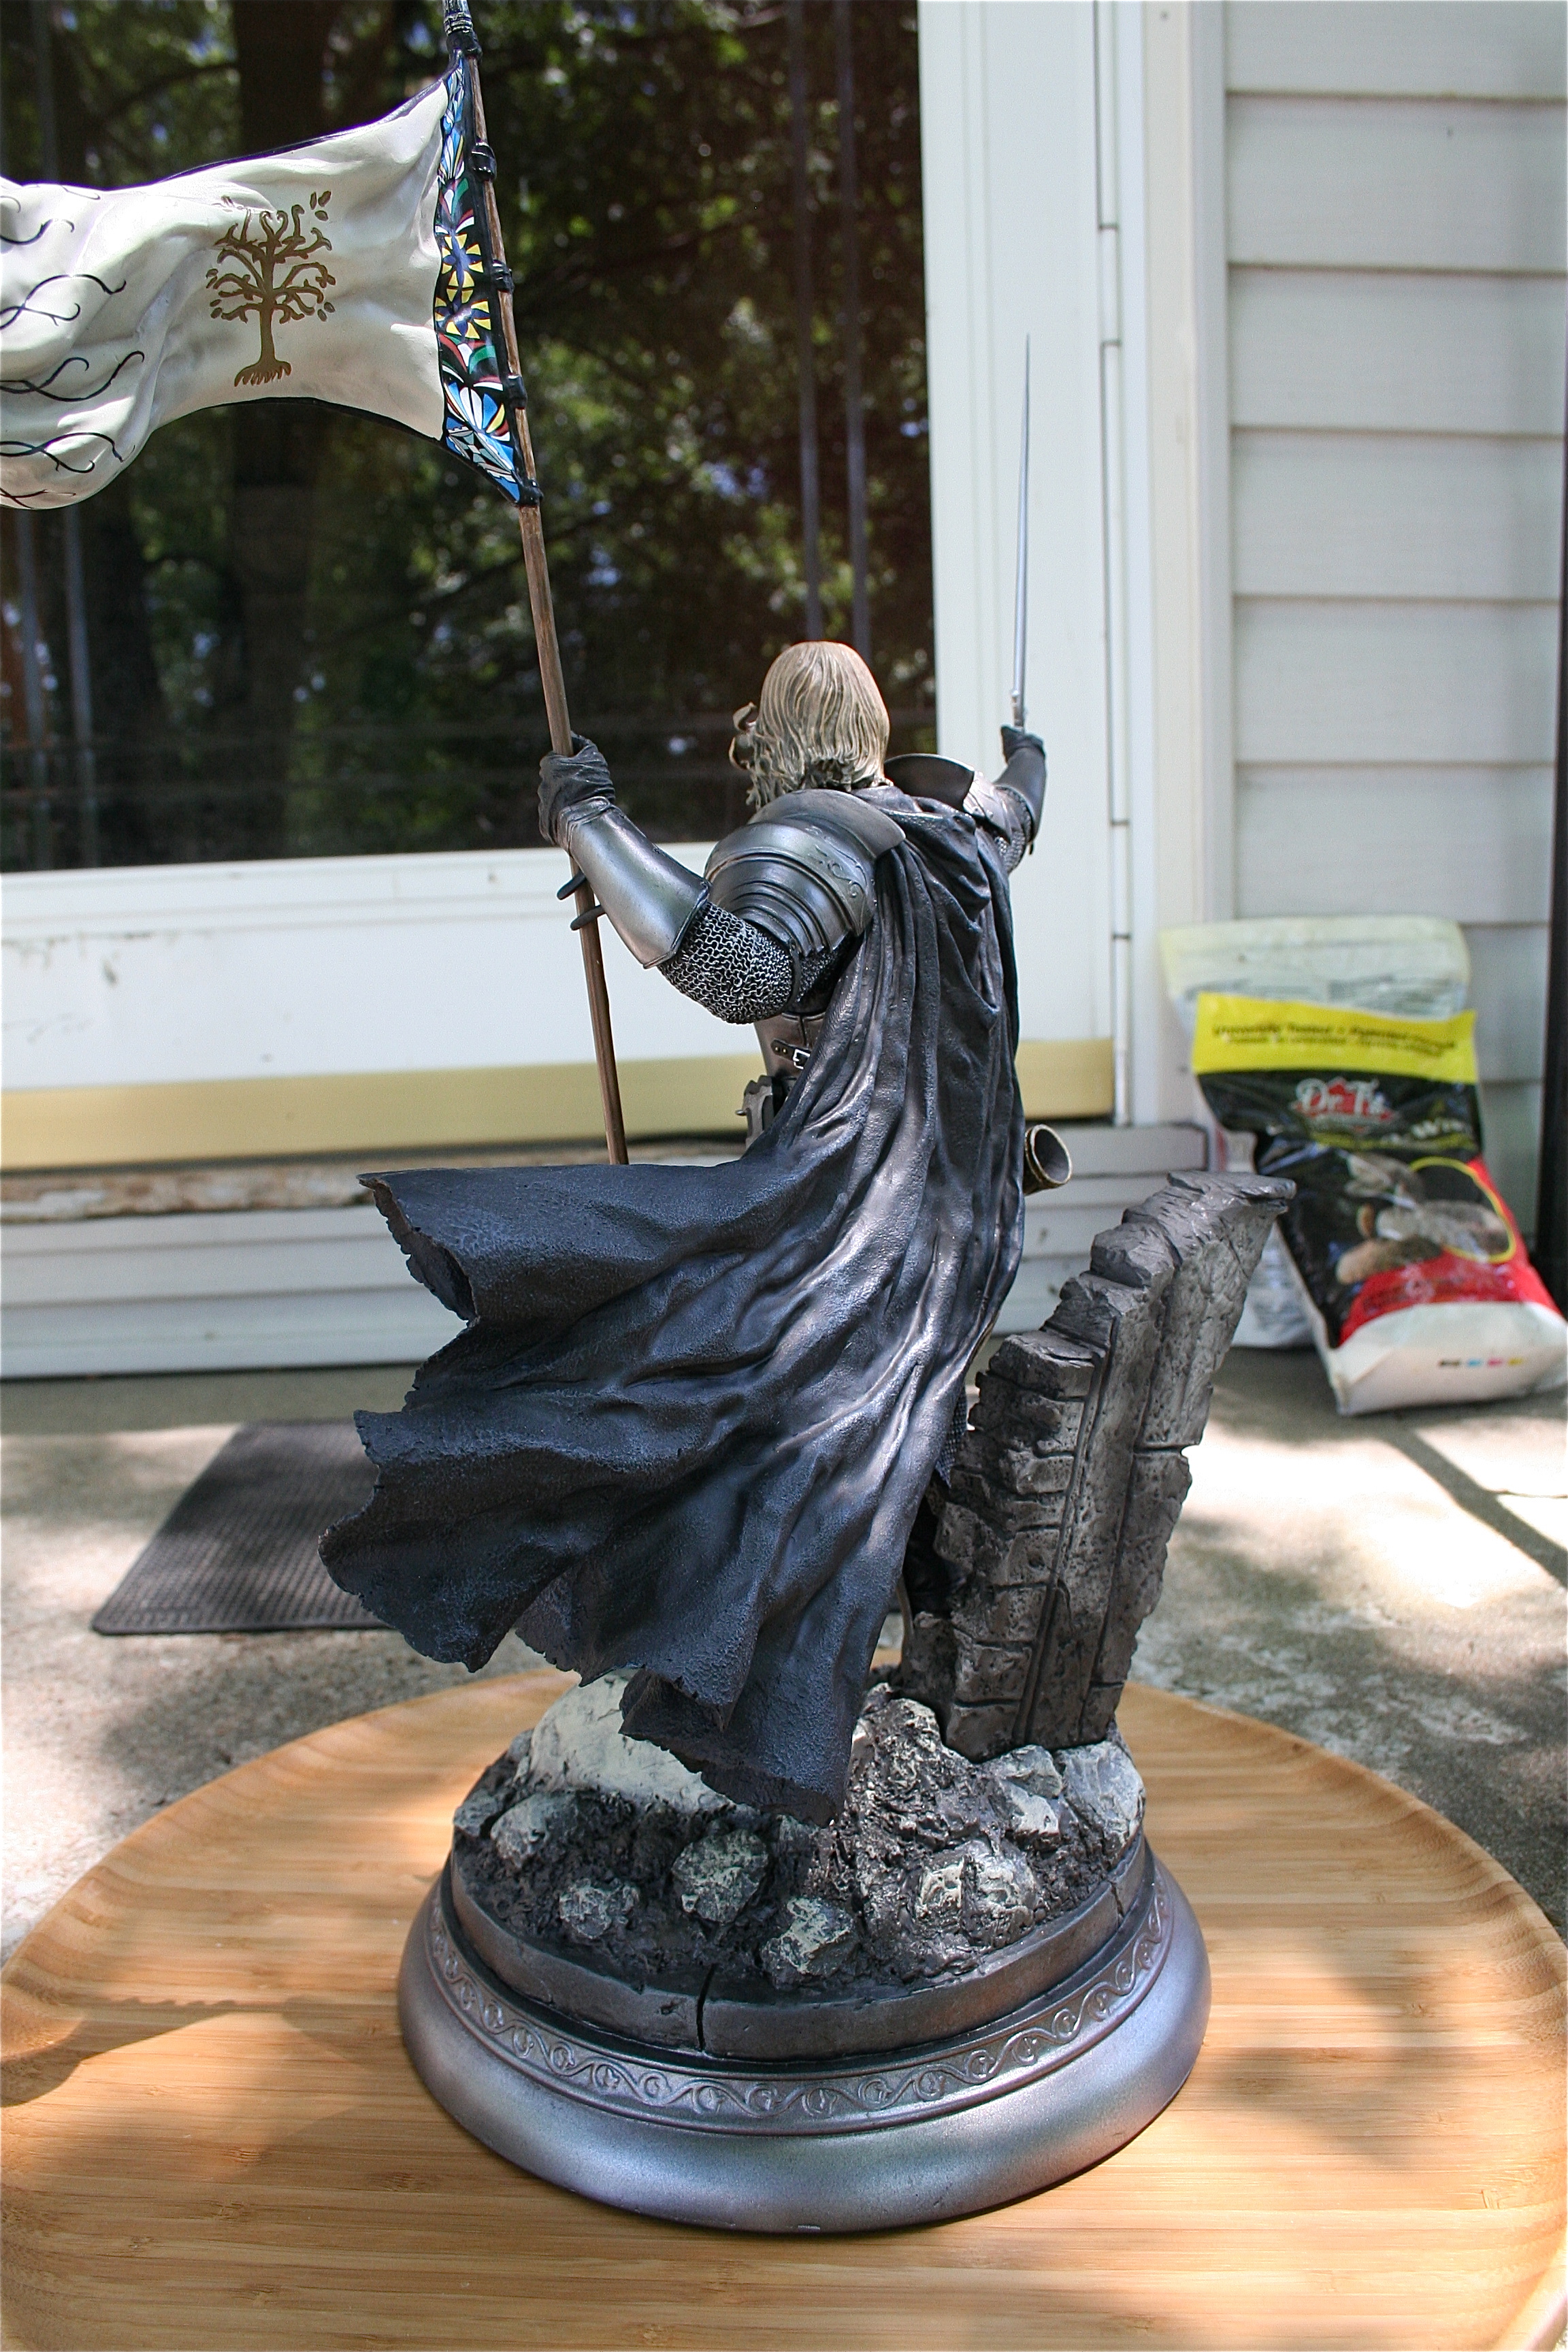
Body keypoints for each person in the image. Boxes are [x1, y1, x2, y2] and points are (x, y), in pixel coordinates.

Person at [322, 642, 1046, 1821]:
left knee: (697, 1384)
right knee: (872, 1429)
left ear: (778, 732)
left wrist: (596, 828)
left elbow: (741, 969)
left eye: (756, 722)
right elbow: (1016, 816)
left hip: (844, 1209)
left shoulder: (813, 834)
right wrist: (1027, 759)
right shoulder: (954, 836)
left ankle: (748, 1682)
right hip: (956, 1219)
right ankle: (828, 1661)